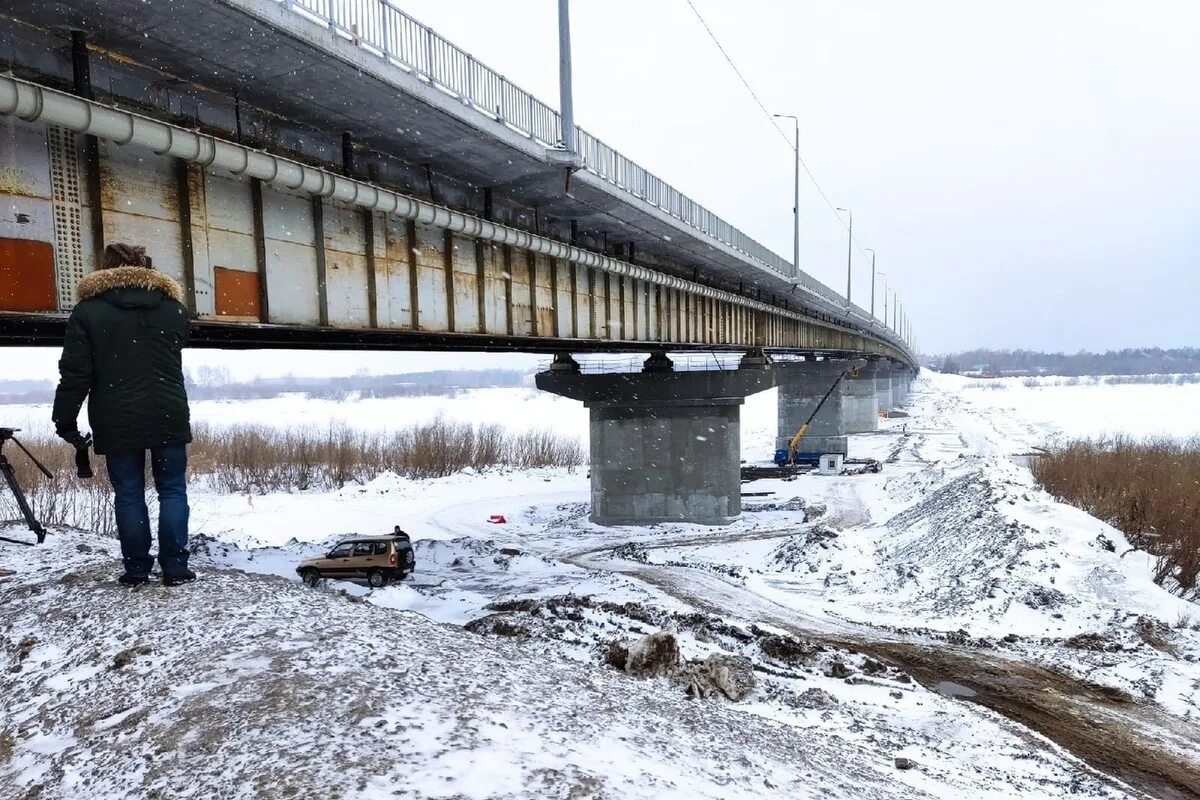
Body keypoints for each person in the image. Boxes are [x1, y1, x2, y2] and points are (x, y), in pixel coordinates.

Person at [52, 243, 195, 587]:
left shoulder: (87, 312)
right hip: (168, 412)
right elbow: (176, 347)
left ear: (105, 270)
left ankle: (136, 570)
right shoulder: (173, 309)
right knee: (173, 491)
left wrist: (65, 420)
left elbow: (75, 373)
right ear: (147, 266)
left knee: (129, 493)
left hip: (117, 418)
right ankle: (175, 568)